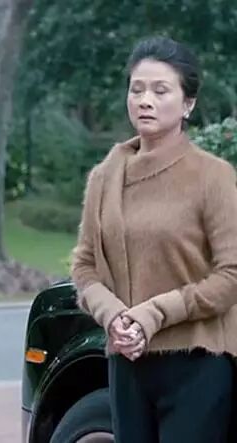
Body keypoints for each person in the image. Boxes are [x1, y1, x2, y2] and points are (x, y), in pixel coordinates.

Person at [71, 36, 237, 443]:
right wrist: (114, 315)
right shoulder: (104, 177)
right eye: (137, 89)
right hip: (127, 363)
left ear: (187, 104)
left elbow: (230, 276)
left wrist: (153, 314)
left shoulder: (212, 177)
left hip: (197, 363)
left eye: (161, 91)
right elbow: (85, 266)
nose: (145, 100)